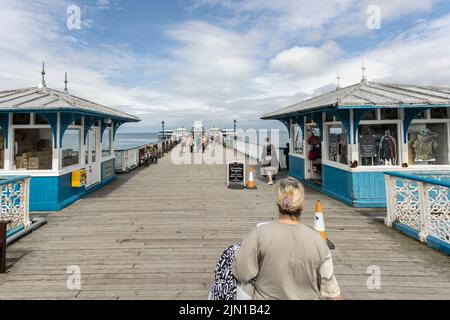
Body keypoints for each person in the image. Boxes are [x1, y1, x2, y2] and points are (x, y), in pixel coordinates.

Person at [233, 178, 342, 300]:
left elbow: (242, 273)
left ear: (278, 204)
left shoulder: (259, 234)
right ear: (302, 206)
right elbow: (332, 293)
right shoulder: (318, 242)